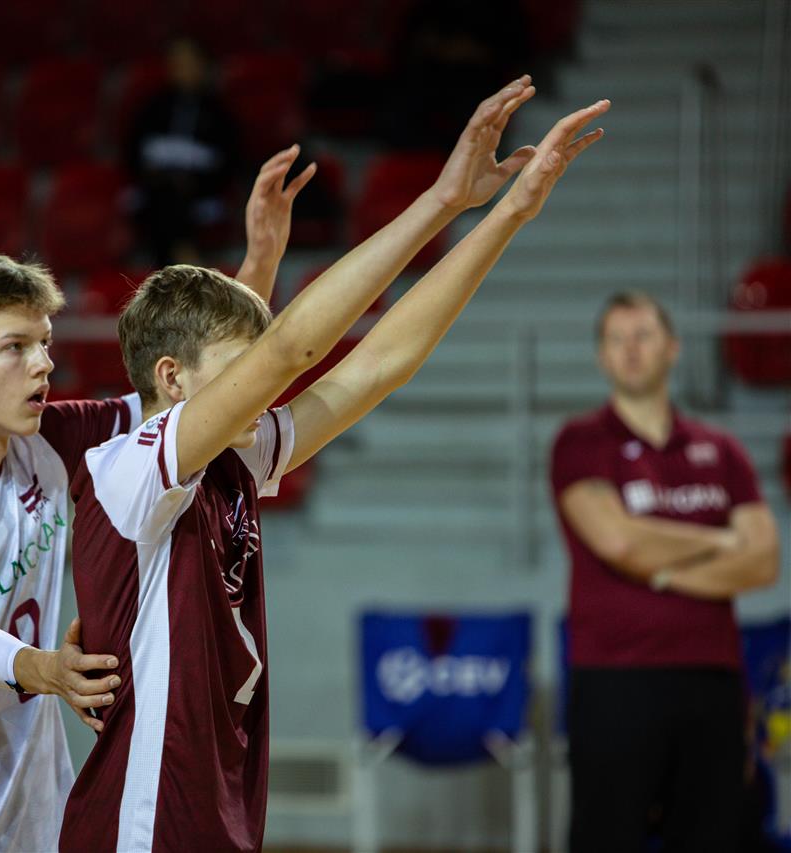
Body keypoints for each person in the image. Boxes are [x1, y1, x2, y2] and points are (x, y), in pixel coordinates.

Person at [60, 78, 607, 851]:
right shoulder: (130, 467)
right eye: (241, 367)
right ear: (172, 380)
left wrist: (506, 214)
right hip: (142, 821)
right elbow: (294, 348)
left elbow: (381, 363)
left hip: (213, 801)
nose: (263, 384)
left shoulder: (233, 459)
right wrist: (441, 200)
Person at [0, 152, 311, 852]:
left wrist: (259, 265)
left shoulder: (49, 439)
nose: (44, 363)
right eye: (15, 347)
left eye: (45, 342)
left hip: (42, 809)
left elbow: (197, 396)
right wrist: (47, 668)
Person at [550, 291, 781, 853]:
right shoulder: (581, 442)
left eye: (643, 335)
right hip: (615, 680)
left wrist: (656, 570)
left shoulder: (721, 450)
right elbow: (617, 540)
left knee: (714, 838)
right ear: (602, 356)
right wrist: (719, 541)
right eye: (616, 339)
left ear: (673, 348)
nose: (630, 350)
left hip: (712, 679)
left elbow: (764, 559)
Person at [124, 37, 242, 265]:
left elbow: (229, 163)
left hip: (201, 193)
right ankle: (185, 256)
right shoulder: (152, 107)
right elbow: (133, 155)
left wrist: (194, 181)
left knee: (170, 199)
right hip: (156, 189)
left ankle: (171, 267)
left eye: (189, 62)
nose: (183, 69)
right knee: (164, 196)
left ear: (203, 65)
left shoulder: (219, 112)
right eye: (177, 63)